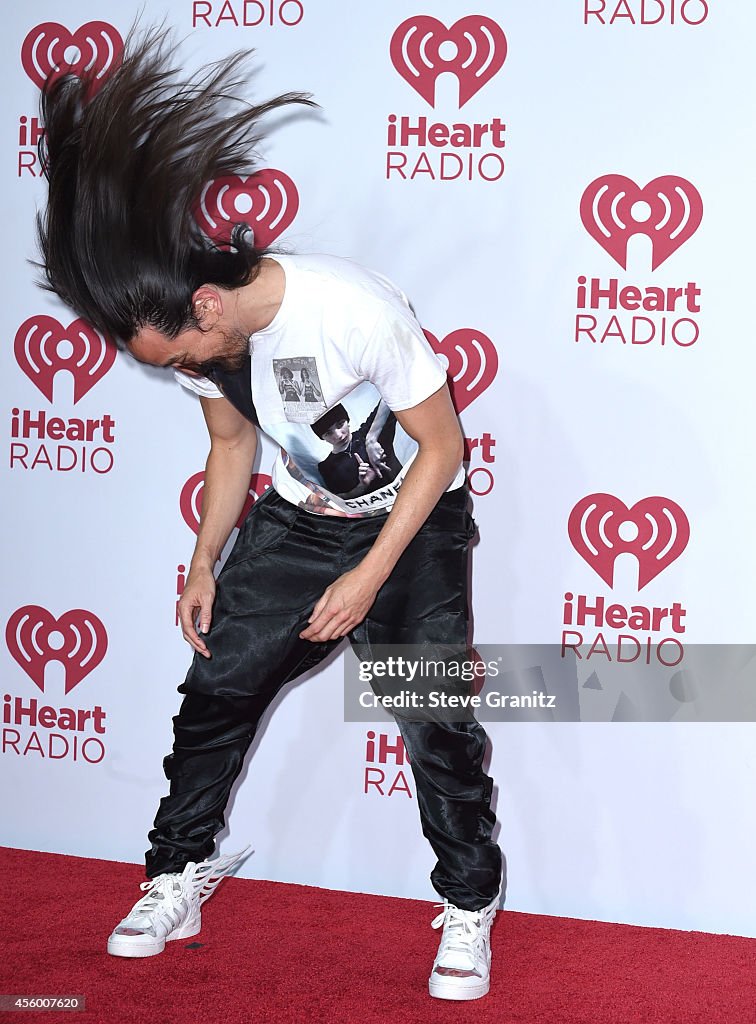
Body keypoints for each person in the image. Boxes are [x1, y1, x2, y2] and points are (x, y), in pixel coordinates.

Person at [35, 27, 503, 1001]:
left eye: (172, 354)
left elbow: (445, 450)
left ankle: (470, 899)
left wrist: (367, 577)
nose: (176, 372)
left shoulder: (346, 308)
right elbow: (231, 446)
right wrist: (205, 560)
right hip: (297, 525)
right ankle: (175, 874)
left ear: (206, 303)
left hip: (410, 528)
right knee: (216, 691)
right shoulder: (202, 344)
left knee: (432, 718)